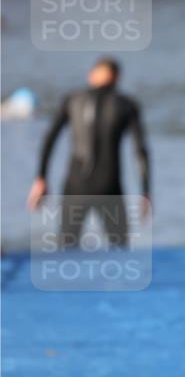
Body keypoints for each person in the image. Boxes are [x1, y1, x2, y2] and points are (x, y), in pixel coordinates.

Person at [26, 57, 150, 246]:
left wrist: (41, 178)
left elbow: (50, 139)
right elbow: (140, 151)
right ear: (117, 78)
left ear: (91, 75)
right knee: (119, 248)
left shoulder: (72, 100)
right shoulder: (127, 105)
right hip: (109, 186)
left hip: (76, 185)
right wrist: (145, 191)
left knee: (67, 247)